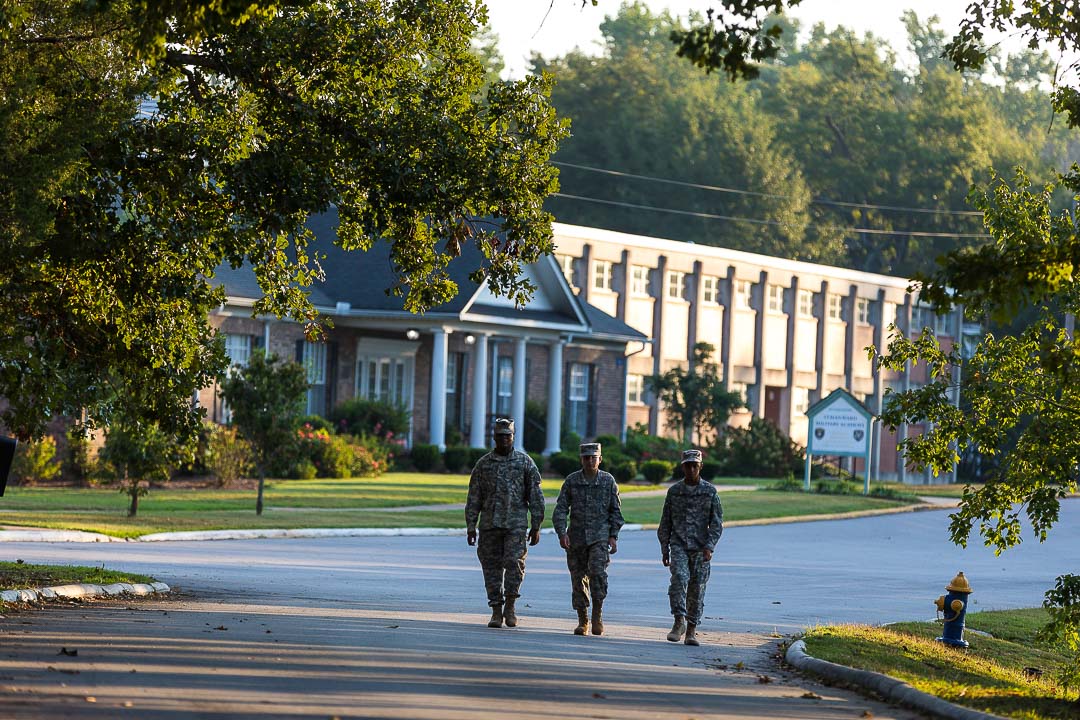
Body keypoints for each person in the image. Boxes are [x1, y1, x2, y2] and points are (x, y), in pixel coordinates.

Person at [465, 418, 544, 629]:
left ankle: (510, 606)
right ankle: (496, 610)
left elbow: (535, 496)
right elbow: (474, 497)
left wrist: (536, 525)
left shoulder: (525, 462)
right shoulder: (483, 464)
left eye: (507, 436)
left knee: (514, 564)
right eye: (500, 436)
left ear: (513, 437)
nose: (504, 440)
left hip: (515, 525)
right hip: (489, 525)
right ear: (494, 437)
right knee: (490, 568)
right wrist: (471, 525)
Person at [552, 442, 624, 636]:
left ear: (600, 459)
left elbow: (616, 511)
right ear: (581, 459)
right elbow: (560, 509)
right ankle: (582, 619)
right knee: (577, 579)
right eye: (586, 457)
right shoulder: (572, 481)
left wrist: (613, 536)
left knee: (598, 574)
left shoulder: (608, 481)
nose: (590, 460)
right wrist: (562, 533)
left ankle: (597, 615)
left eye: (594, 457)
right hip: (576, 538)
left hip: (599, 538)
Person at [657, 449, 723, 646]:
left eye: (695, 465)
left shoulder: (710, 492)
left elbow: (717, 523)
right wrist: (664, 548)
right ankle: (679, 622)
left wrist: (710, 546)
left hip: (701, 548)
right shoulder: (674, 491)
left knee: (697, 589)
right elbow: (665, 523)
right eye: (688, 465)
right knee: (679, 579)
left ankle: (692, 630)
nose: (691, 468)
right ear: (682, 466)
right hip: (679, 545)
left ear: (700, 466)